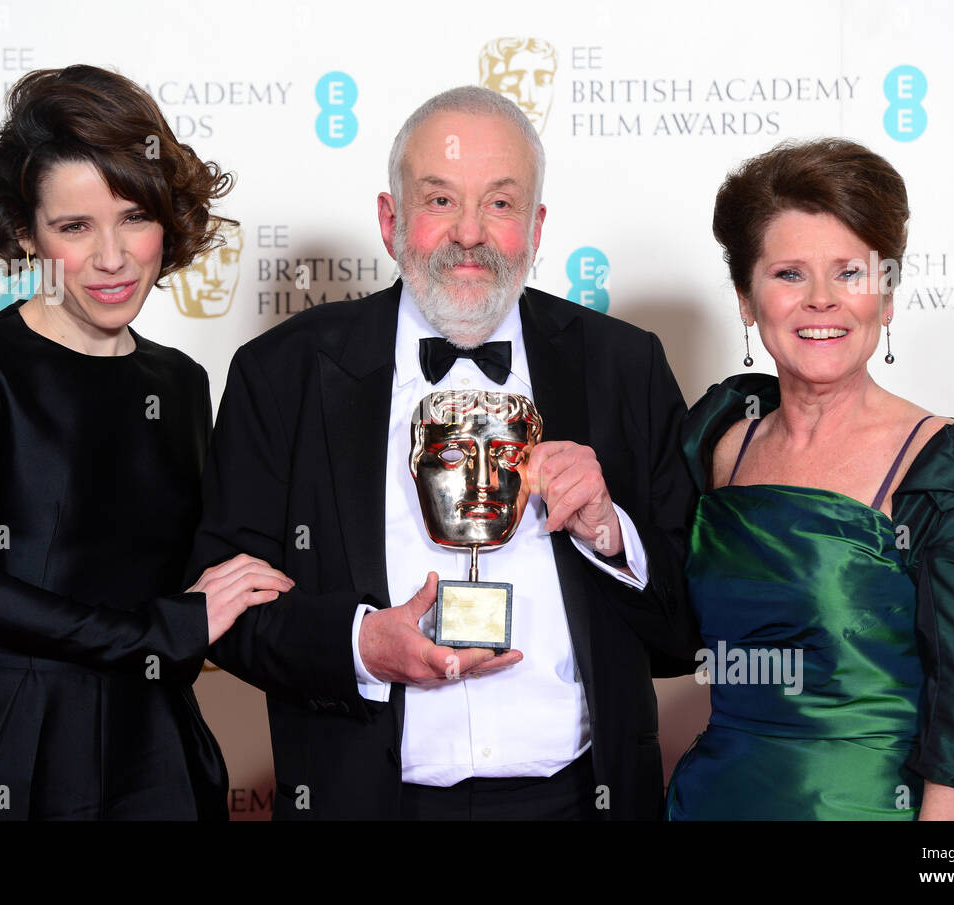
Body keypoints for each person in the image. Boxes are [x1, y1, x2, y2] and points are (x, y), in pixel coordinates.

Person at [186, 85, 698, 820]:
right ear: (391, 220)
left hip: (583, 801)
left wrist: (611, 532)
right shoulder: (283, 373)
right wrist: (361, 646)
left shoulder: (624, 365)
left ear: (536, 224)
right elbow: (226, 608)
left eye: (499, 203)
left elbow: (688, 627)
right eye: (439, 201)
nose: (469, 233)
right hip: (370, 803)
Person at [0, 65, 292, 820]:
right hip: (10, 738)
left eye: (134, 217)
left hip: (156, 751)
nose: (112, 257)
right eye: (75, 227)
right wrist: (163, 628)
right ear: (26, 233)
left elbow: (200, 572)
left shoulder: (182, 381)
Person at [666, 138, 954, 820]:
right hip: (712, 802)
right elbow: (666, 631)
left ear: (887, 297)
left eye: (850, 273)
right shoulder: (718, 441)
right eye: (788, 275)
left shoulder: (942, 467)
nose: (821, 301)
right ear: (747, 300)